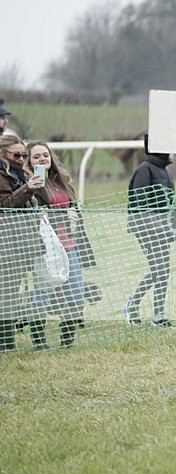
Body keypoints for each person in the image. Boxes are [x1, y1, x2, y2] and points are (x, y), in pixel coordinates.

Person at [25, 140, 96, 347]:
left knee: (75, 295)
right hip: (45, 248)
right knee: (42, 297)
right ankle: (40, 342)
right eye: (36, 156)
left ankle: (67, 342)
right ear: (29, 161)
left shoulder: (62, 180)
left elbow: (73, 207)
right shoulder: (29, 184)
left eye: (45, 155)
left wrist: (73, 216)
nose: (42, 159)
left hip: (69, 245)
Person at [123, 135, 176, 328]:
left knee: (163, 271)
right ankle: (134, 305)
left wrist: (174, 228)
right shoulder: (143, 170)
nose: (174, 153)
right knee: (159, 270)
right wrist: (159, 227)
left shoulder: (166, 172)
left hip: (163, 231)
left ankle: (157, 314)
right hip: (146, 231)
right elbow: (140, 206)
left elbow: (170, 203)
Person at [0, 135, 47, 350]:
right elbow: (6, 204)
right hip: (7, 243)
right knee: (7, 294)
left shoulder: (19, 175)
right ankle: (6, 343)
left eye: (24, 155)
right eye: (16, 154)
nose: (21, 158)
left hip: (20, 243)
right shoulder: (3, 176)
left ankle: (8, 341)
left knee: (12, 294)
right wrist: (28, 188)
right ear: (3, 154)